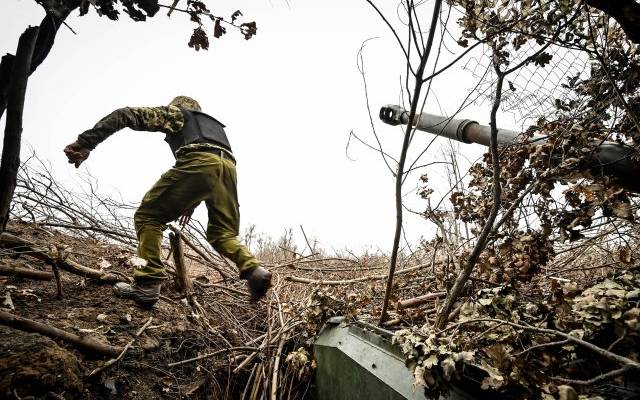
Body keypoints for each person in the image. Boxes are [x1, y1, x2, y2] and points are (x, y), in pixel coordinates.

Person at [63, 96, 272, 308]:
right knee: (223, 234)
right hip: (228, 169)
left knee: (148, 217)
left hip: (200, 163)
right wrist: (190, 201)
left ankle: (147, 283)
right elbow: (213, 164)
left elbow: (124, 115)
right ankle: (254, 270)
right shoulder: (214, 129)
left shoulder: (178, 114)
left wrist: (86, 143)